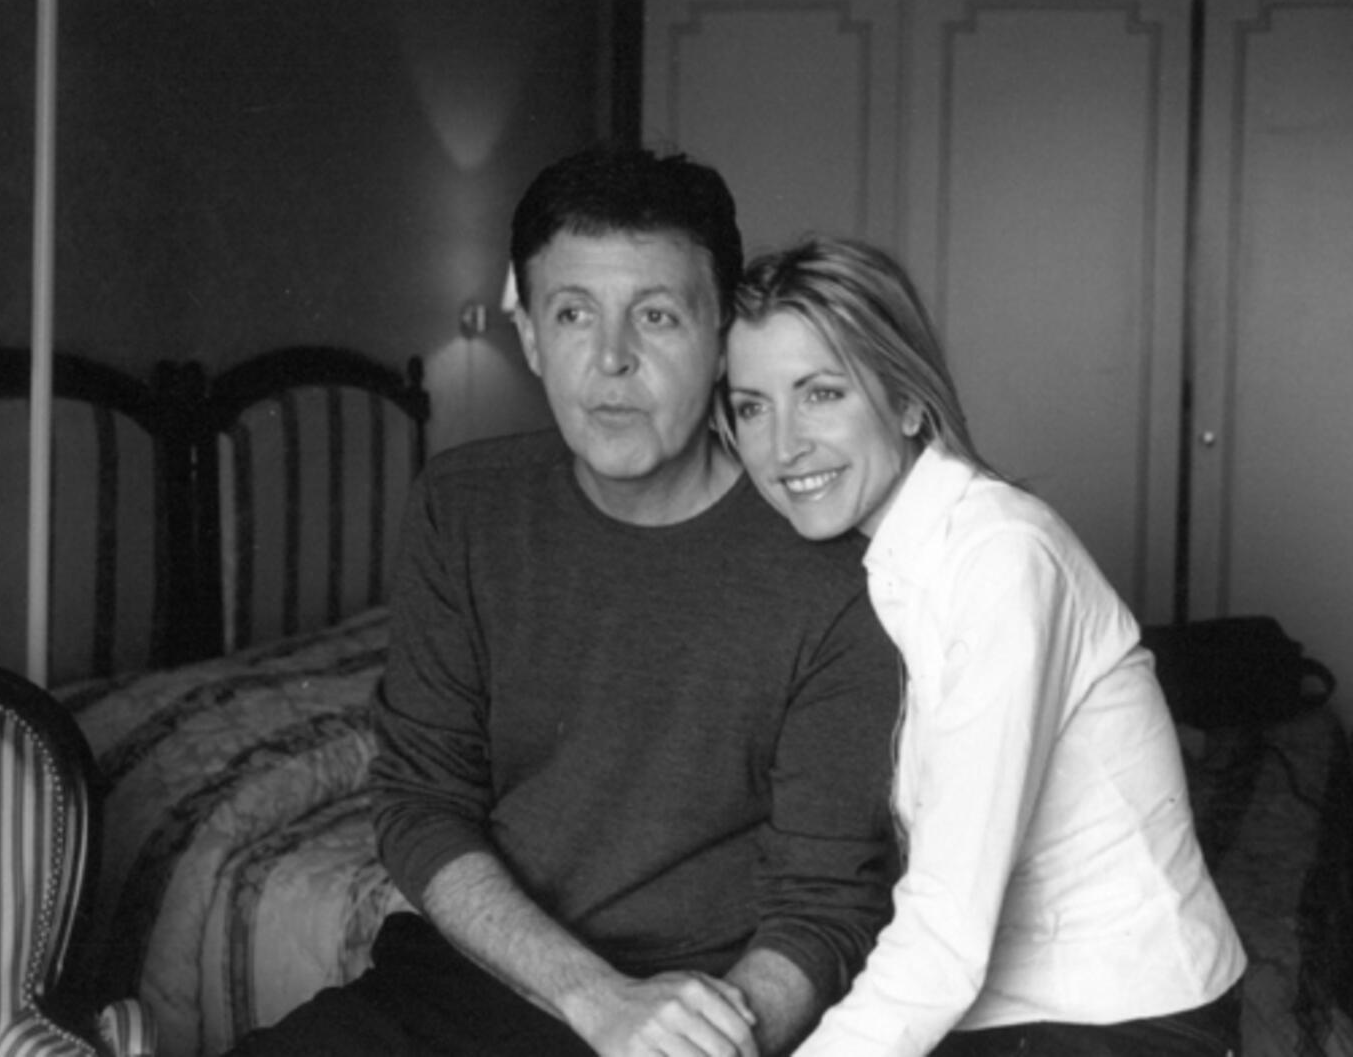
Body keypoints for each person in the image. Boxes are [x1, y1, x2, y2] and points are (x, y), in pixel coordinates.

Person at [225, 151, 902, 1057]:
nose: (612, 359)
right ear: (533, 336)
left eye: (656, 315)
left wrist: (700, 1042)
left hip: (700, 1005)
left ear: (721, 338)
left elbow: (824, 905)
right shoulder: (464, 506)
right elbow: (421, 801)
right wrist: (593, 996)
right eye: (574, 313)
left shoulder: (835, 571)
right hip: (477, 977)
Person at [723, 236, 1248, 1057]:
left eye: (821, 393)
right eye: (752, 406)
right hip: (1007, 1015)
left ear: (908, 401)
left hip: (1125, 1016)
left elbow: (942, 938)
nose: (783, 445)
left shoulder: (1001, 559)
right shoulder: (885, 559)